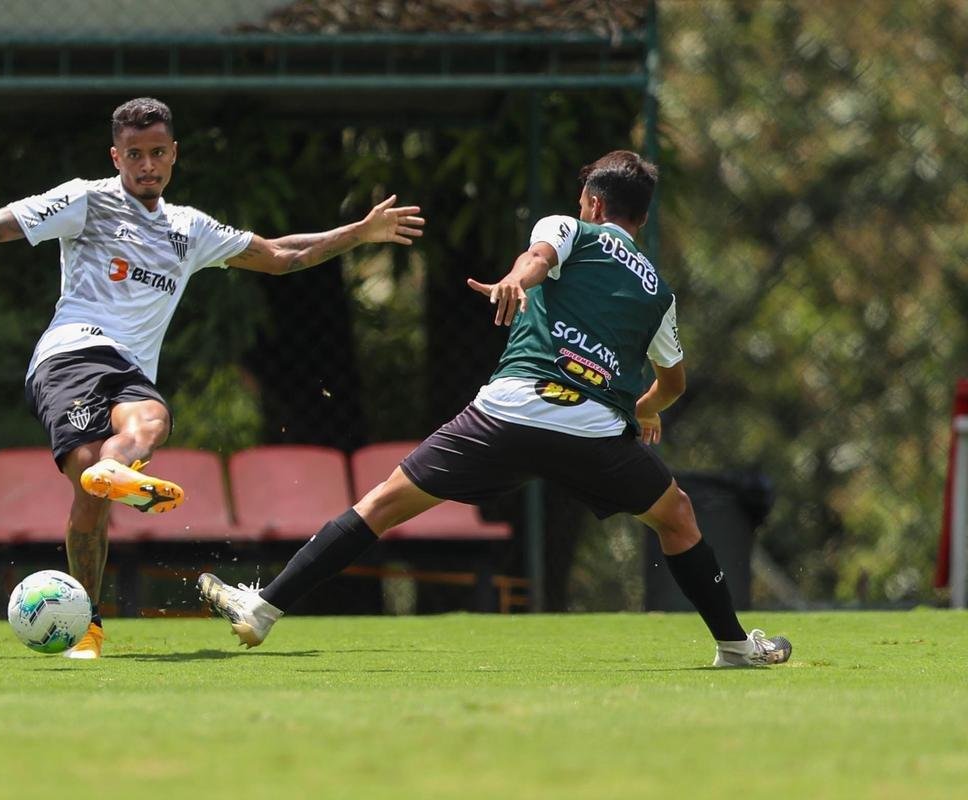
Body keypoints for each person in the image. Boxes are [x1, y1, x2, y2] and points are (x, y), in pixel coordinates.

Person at [199, 150, 791, 667]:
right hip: (591, 434)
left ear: (591, 202)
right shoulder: (657, 290)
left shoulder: (569, 226)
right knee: (677, 516)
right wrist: (645, 411)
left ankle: (263, 608)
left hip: (507, 415)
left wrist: (514, 279)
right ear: (642, 216)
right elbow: (672, 383)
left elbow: (538, 257)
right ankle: (735, 645)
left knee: (380, 505)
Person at [0, 97, 424, 660]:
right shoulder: (87, 200)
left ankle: (109, 488)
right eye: (135, 154)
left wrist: (359, 233)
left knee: (150, 422)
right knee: (89, 483)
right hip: (70, 354)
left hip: (130, 370)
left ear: (174, 154)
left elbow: (279, 255)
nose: (147, 165)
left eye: (158, 153)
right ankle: (90, 617)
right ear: (115, 157)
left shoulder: (189, 228)